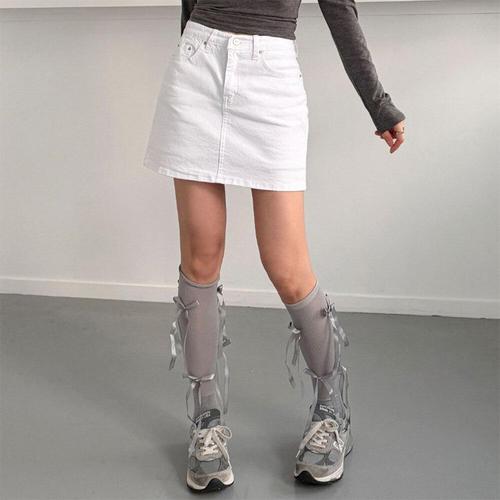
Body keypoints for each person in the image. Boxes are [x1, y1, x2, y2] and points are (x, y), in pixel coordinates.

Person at [143, 0, 406, 492]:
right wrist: (193, 51)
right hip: (197, 64)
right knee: (201, 258)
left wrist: (379, 103)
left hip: (270, 75)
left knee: (286, 265)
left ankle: (331, 409)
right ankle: (205, 422)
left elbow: (340, 9)